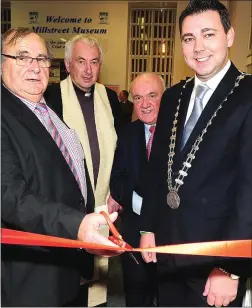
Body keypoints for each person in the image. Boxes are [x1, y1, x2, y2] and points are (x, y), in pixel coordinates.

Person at [139, 0, 252, 307]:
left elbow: (249, 191)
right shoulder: (175, 95)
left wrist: (230, 269)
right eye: (189, 39)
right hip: (167, 252)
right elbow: (156, 169)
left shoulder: (248, 95)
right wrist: (148, 227)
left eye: (208, 34)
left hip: (214, 264)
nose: (198, 47)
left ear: (229, 36)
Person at [1, 27, 120, 307]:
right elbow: (9, 195)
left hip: (66, 266)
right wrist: (76, 225)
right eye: (23, 57)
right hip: (31, 277)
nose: (35, 66)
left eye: (42, 58)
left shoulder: (47, 110)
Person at [44, 34, 124, 306]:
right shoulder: (52, 97)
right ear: (68, 65)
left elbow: (121, 149)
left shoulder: (110, 98)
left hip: (104, 203)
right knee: (70, 281)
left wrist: (118, 189)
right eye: (81, 61)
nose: (88, 69)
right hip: (67, 206)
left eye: (94, 62)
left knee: (99, 279)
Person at [109, 73, 165, 306]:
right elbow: (117, 180)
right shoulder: (128, 133)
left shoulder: (181, 134)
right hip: (133, 229)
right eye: (139, 97)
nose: (145, 104)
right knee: (136, 296)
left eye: (152, 96)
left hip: (171, 232)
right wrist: (133, 197)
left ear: (166, 97)